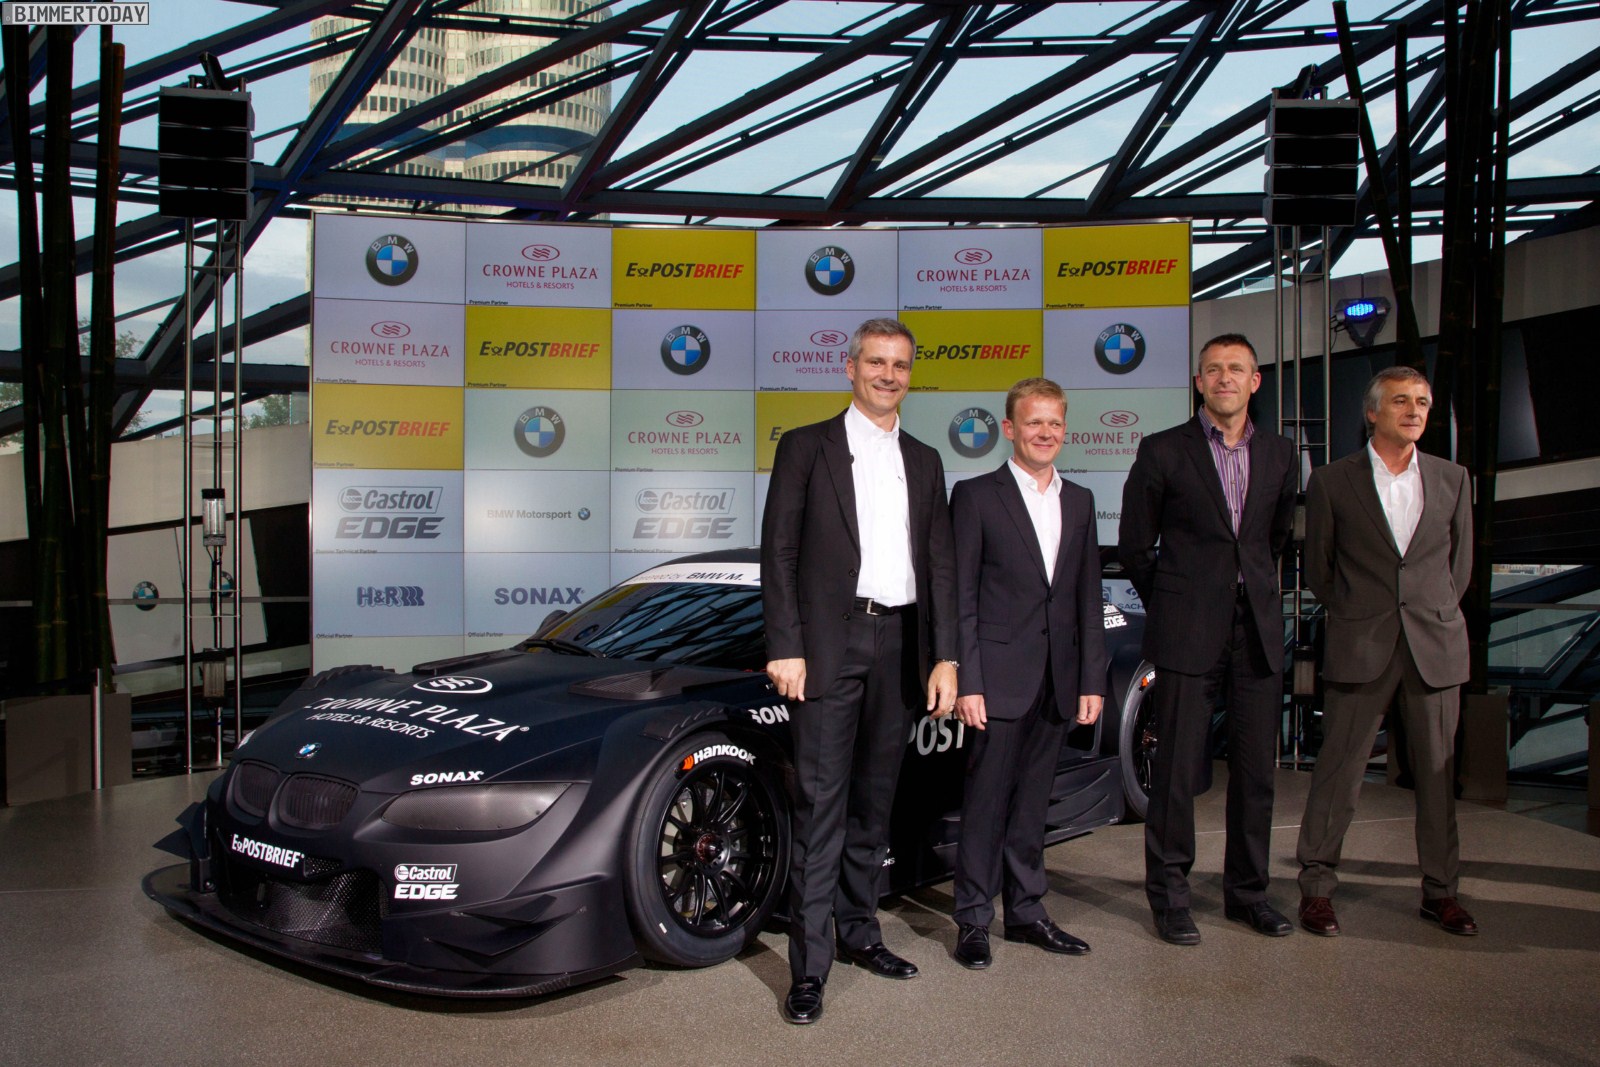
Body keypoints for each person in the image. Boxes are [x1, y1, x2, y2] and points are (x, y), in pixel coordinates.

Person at [761, 317, 959, 1024]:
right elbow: (780, 551)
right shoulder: (805, 446)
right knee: (821, 806)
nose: (887, 375)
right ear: (850, 368)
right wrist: (785, 645)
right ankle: (809, 966)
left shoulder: (926, 460)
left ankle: (859, 931)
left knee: (876, 802)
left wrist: (945, 656)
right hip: (828, 643)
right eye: (876, 362)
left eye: (899, 365)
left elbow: (940, 565)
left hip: (901, 642)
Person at [1118, 332, 1298, 946]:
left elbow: (1273, 539)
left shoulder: (1280, 453)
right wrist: (1177, 602)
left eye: (1237, 369)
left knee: (1256, 773)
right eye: (1214, 369)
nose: (1225, 378)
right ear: (1199, 382)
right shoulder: (1163, 449)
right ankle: (1170, 898)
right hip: (1186, 630)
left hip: (1257, 632)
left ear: (1255, 381)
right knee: (1175, 771)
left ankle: (1248, 894)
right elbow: (1136, 545)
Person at [1295, 366, 1477, 937]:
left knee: (1437, 778)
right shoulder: (1332, 481)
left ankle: (1441, 893)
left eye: (1421, 401)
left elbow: (1460, 567)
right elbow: (1320, 570)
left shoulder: (1453, 478)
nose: (1414, 410)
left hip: (1434, 646)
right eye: (1401, 401)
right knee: (1338, 773)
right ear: (1373, 412)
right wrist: (1358, 614)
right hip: (1361, 643)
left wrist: (1429, 613)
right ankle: (1316, 888)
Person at [947, 378, 1107, 970]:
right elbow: (961, 597)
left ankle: (1026, 912)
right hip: (996, 679)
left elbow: (1086, 595)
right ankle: (972, 919)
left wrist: (1091, 679)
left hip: (1058, 679)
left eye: (1054, 423)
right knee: (985, 804)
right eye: (1033, 422)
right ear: (1011, 429)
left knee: (1034, 804)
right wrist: (968, 680)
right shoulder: (975, 496)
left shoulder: (1081, 500)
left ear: (1065, 429)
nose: (1045, 433)